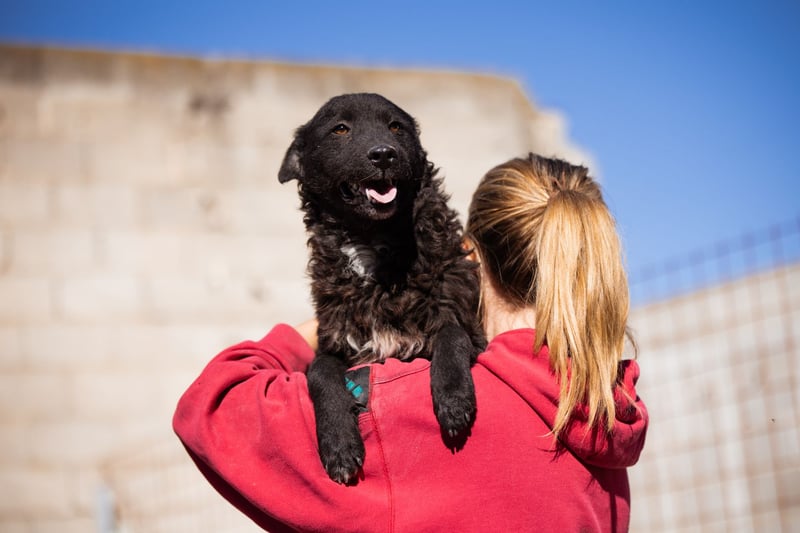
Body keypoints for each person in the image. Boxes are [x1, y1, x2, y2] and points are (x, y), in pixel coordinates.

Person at [173, 153, 649, 533]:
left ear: (469, 255)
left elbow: (211, 404)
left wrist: (343, 314)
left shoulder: (410, 406)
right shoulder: (606, 414)